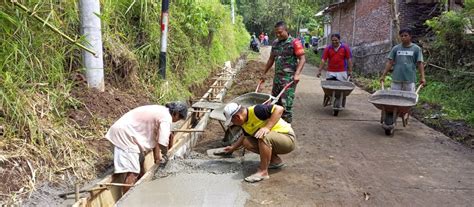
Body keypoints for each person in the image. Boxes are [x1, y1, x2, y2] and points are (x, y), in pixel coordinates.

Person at [105, 102, 188, 193]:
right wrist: (166, 155)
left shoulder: (161, 111)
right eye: (178, 118)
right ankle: (127, 202)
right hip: (125, 136)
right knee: (133, 172)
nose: (176, 121)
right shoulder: (166, 118)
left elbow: (157, 138)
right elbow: (162, 142)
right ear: (175, 113)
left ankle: (143, 187)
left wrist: (157, 158)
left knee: (141, 160)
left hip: (127, 134)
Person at [222, 102, 296, 183]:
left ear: (237, 117)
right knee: (247, 142)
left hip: (287, 139)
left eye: (232, 121)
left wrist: (267, 127)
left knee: (263, 136)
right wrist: (233, 148)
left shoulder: (257, 110)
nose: (233, 123)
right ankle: (275, 161)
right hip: (274, 141)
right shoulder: (244, 123)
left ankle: (263, 172)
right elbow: (244, 136)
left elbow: (279, 109)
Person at [378, 28, 426, 128]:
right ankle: (392, 116)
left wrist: (423, 77)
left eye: (405, 35)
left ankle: (404, 113)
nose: (403, 37)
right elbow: (390, 62)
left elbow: (420, 63)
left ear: (410, 36)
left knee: (407, 101)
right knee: (393, 101)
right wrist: (383, 75)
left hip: (409, 79)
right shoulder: (396, 48)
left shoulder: (416, 49)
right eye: (402, 36)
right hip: (396, 78)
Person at [262, 21, 306, 123]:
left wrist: (297, 74)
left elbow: (302, 59)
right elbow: (271, 59)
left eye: (280, 32)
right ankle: (276, 125)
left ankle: (287, 131)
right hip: (277, 79)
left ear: (286, 30)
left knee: (286, 105)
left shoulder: (295, 42)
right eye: (276, 33)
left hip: (289, 80)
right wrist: (264, 73)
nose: (278, 35)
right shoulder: (275, 43)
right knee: (275, 103)